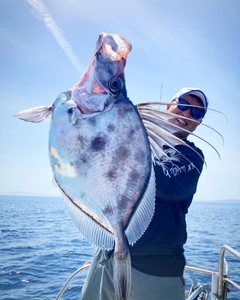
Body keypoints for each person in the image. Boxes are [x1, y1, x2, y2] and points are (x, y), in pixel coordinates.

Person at [81, 87, 208, 300]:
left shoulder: (192, 156)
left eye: (195, 113)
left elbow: (171, 185)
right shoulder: (137, 141)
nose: (187, 114)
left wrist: (129, 144)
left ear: (199, 122)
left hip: (155, 271)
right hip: (106, 257)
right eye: (184, 105)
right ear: (169, 107)